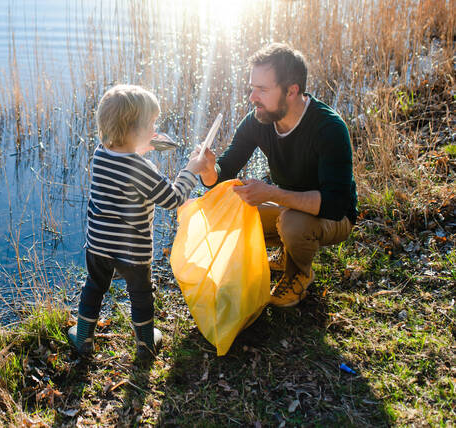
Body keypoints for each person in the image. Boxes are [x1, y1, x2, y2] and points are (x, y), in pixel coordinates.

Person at [196, 43, 356, 307]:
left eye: (262, 89)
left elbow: (335, 205)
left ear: (292, 90)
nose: (252, 97)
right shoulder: (259, 120)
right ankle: (287, 253)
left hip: (334, 217)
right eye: (252, 87)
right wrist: (210, 170)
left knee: (293, 224)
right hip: (289, 206)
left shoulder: (329, 128)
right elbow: (224, 173)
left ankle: (300, 274)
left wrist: (271, 193)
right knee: (225, 207)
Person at [68, 84, 204, 360]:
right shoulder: (142, 169)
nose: (155, 131)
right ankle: (145, 345)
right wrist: (191, 169)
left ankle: (83, 339)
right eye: (151, 124)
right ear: (133, 129)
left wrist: (141, 144)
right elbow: (173, 198)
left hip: (98, 245)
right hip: (134, 251)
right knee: (141, 294)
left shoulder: (99, 155)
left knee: (94, 287)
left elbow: (122, 164)